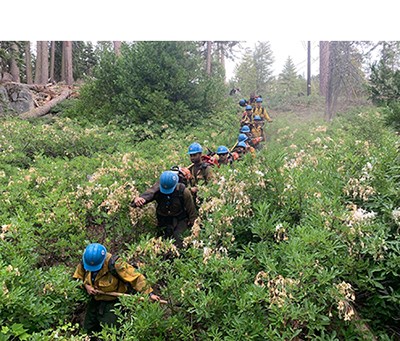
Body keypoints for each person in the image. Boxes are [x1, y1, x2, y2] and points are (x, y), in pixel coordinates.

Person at [73, 243, 161, 335]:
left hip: (113, 302)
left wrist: (150, 294)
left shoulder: (116, 264)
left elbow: (136, 278)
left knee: (110, 332)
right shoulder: (87, 260)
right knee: (88, 329)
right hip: (94, 300)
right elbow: (77, 278)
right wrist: (86, 286)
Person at [133, 170, 198, 248]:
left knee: (178, 240)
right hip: (163, 219)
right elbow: (147, 195)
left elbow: (192, 212)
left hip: (180, 219)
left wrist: (195, 229)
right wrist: (138, 200)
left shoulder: (183, 191)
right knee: (161, 243)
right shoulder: (157, 190)